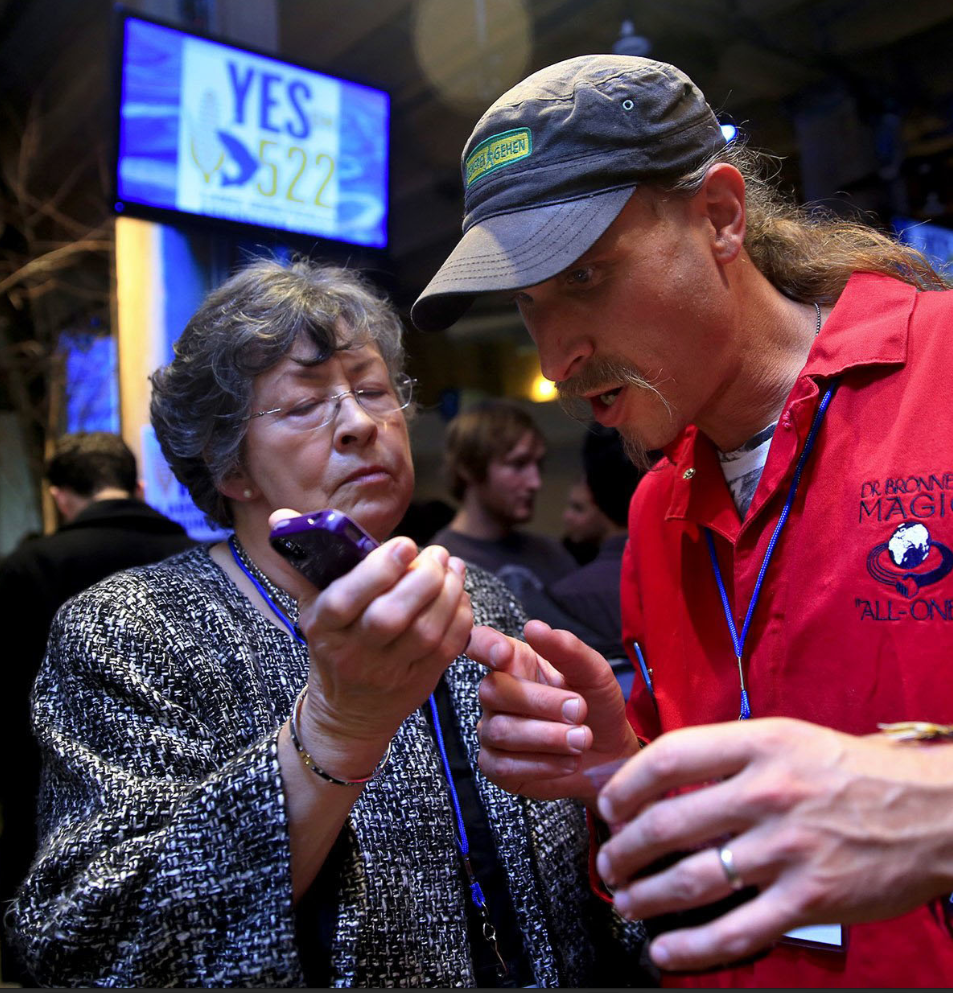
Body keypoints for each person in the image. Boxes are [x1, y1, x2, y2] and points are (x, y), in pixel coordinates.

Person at [409, 54, 953, 987]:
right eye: (528, 305)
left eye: (587, 275)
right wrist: (622, 774)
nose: (556, 358)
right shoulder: (660, 507)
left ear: (720, 216)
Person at [7, 259, 642, 987]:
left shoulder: (483, 599)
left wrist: (609, 786)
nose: (361, 424)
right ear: (230, 465)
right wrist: (336, 731)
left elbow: (594, 904)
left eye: (372, 390)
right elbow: (89, 946)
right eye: (305, 403)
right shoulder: (133, 629)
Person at [0, 432, 193, 983]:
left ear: (61, 496)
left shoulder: (29, 567)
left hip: (45, 788)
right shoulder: (193, 560)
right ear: (134, 485)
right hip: (179, 790)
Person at [432, 398, 578, 601]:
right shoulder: (442, 564)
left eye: (538, 464)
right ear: (469, 468)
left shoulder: (550, 553)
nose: (535, 483)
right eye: (518, 464)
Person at [549, 425, 641, 674]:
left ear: (593, 496)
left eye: (578, 508)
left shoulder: (565, 597)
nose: (566, 518)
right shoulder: (699, 574)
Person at [561, 478, 612, 566]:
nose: (567, 516)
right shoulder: (560, 556)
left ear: (605, 512)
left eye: (578, 508)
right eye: (570, 506)